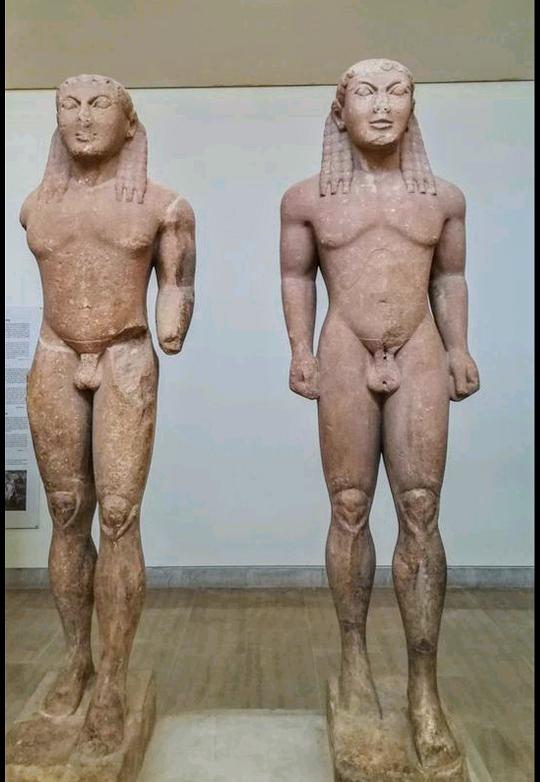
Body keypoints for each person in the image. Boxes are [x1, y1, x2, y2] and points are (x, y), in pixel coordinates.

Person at [280, 58, 479, 771]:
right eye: (366, 93)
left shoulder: (441, 198)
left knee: (420, 507)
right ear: (342, 111)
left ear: (413, 107)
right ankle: (355, 658)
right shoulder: (308, 199)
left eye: (398, 92)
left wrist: (459, 347)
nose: (383, 105)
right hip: (343, 348)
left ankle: (424, 688)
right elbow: (296, 274)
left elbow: (450, 276)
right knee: (350, 506)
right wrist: (300, 348)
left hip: (419, 348)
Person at [20, 74, 196, 755]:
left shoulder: (163, 206)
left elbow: (178, 283)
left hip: (124, 355)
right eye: (69, 105)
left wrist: (173, 319)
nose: (83, 117)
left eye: (100, 105)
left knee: (118, 515)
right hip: (55, 355)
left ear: (129, 124)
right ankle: (76, 659)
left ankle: (115, 677)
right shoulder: (36, 207)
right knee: (67, 512)